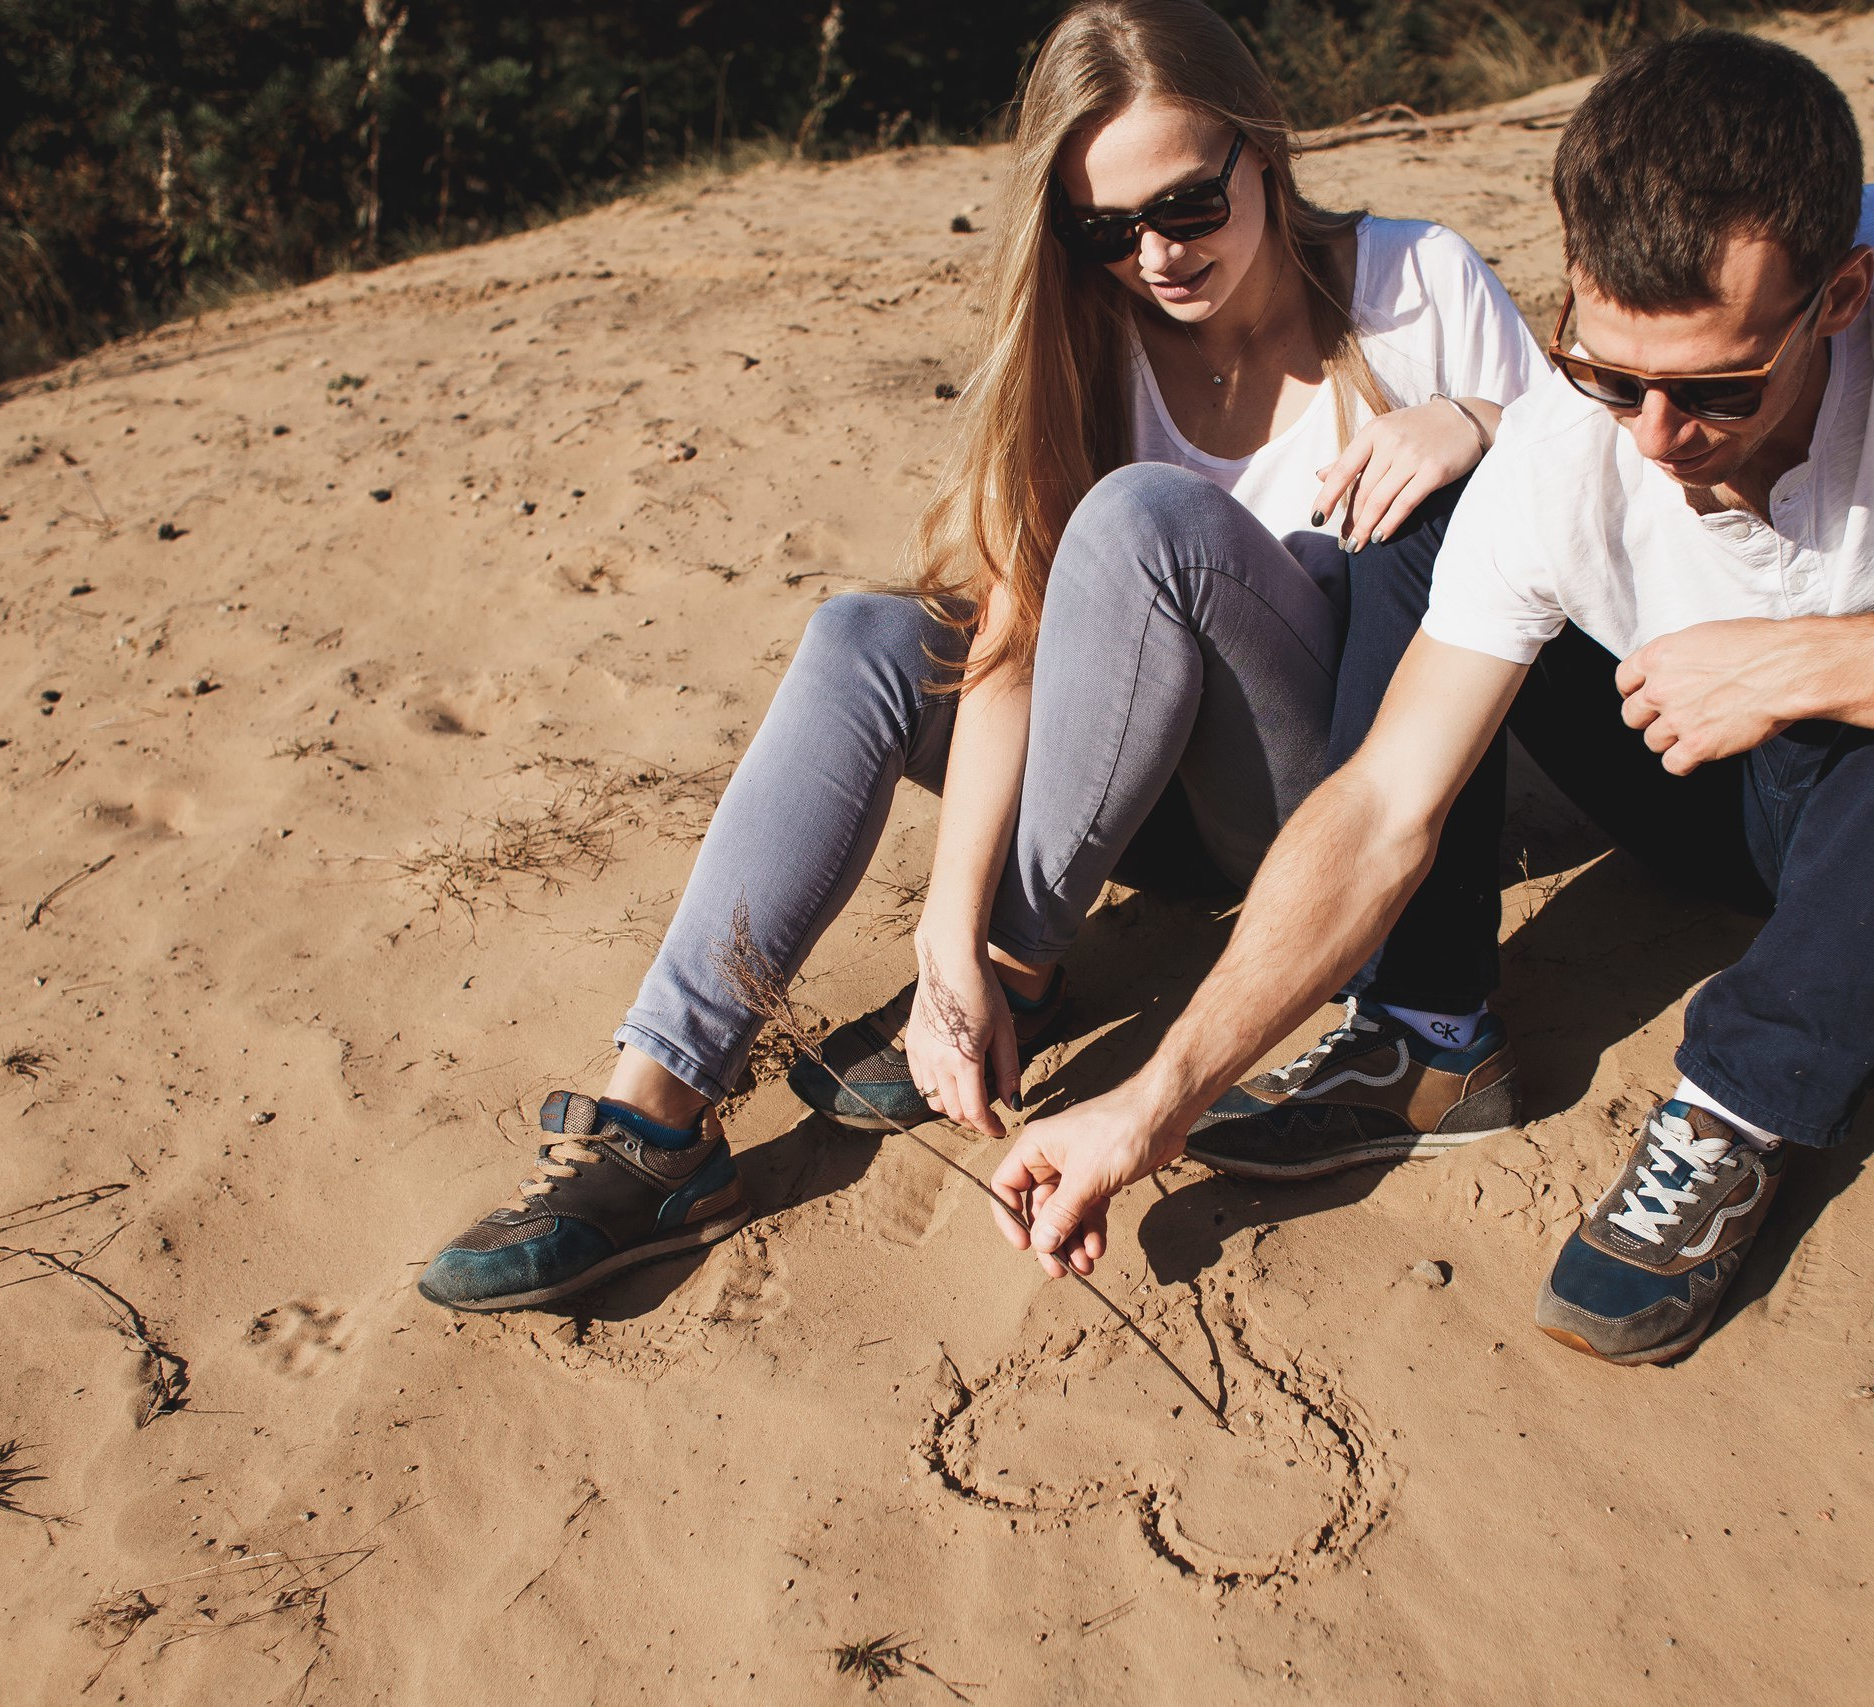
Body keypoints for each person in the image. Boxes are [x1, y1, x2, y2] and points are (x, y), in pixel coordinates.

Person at [987, 29, 1874, 1366]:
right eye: (1610, 374)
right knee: (1437, 509)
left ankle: (1740, 1101)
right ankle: (1420, 1039)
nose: (1655, 437)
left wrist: (1802, 662)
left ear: (1841, 294)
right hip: (1704, 796)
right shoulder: (1564, 445)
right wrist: (1156, 1100)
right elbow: (1382, 802)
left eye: (1716, 389)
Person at [413, 0, 1549, 1313]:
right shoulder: (1089, 333)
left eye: (1188, 204)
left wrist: (1483, 420)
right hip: (1128, 799)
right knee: (867, 637)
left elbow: (1593, 524)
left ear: (1265, 146)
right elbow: (1009, 650)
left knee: (1148, 521)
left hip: (1338, 811)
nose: (1156, 254)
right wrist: (947, 941)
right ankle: (654, 1123)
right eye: (1104, 227)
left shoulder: (1415, 283)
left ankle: (1028, 956)